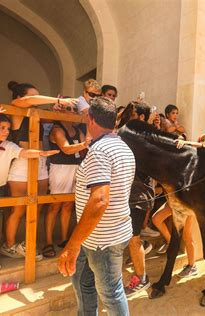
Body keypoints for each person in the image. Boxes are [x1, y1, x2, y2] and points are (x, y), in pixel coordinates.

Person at [57, 96, 135, 315]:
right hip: (103, 234)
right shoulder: (122, 147)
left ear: (90, 119)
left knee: (111, 293)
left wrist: (72, 244)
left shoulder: (99, 152)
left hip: (102, 239)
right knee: (83, 281)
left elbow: (100, 200)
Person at [0, 104, 58, 272]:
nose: (6, 131)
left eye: (8, 128)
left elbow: (23, 153)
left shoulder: (9, 146)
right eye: (2, 128)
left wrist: (40, 153)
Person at [0, 81, 76, 259]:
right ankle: (9, 245)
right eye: (32, 96)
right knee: (18, 209)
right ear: (20, 97)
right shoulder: (17, 109)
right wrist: (58, 100)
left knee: (37, 208)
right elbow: (29, 101)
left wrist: (59, 108)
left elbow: (54, 118)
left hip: (40, 161)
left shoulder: (38, 113)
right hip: (22, 163)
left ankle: (29, 243)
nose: (36, 99)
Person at [43, 103, 90, 258]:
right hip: (60, 168)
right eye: (69, 109)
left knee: (69, 205)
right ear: (60, 110)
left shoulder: (76, 129)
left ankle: (64, 238)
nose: (73, 112)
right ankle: (48, 242)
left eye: (74, 110)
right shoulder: (57, 129)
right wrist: (85, 143)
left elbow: (87, 145)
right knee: (55, 206)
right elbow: (66, 148)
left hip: (75, 168)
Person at [123, 102, 156, 297]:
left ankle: (141, 279)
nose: (128, 117)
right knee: (131, 238)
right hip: (128, 196)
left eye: (132, 114)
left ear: (142, 118)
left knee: (134, 238)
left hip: (139, 196)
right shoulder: (129, 136)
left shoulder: (144, 141)